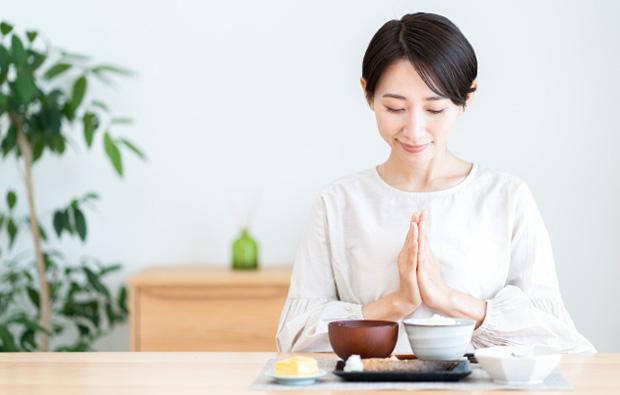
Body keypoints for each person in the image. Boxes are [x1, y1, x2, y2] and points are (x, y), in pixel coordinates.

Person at [276, 12, 595, 354]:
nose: (414, 131)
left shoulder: (507, 198)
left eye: (435, 110)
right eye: (395, 108)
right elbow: (293, 340)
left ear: (466, 100)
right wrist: (396, 303)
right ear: (368, 94)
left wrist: (446, 298)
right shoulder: (338, 202)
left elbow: (560, 343)